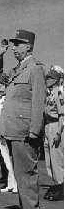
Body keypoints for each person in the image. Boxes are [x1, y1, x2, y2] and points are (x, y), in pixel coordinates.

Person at [0, 30, 46, 209]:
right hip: (13, 129)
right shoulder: (18, 69)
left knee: (26, 176)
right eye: (13, 45)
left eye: (17, 45)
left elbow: (38, 102)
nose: (14, 49)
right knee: (21, 175)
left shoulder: (36, 69)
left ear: (28, 46)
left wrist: (34, 130)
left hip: (25, 131)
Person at [43, 66, 64, 201]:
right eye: (47, 77)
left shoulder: (59, 94)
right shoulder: (49, 93)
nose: (48, 80)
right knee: (49, 158)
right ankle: (56, 183)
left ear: (56, 80)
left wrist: (59, 132)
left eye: (51, 78)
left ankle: (61, 185)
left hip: (56, 125)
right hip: (47, 126)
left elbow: (62, 115)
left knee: (57, 158)